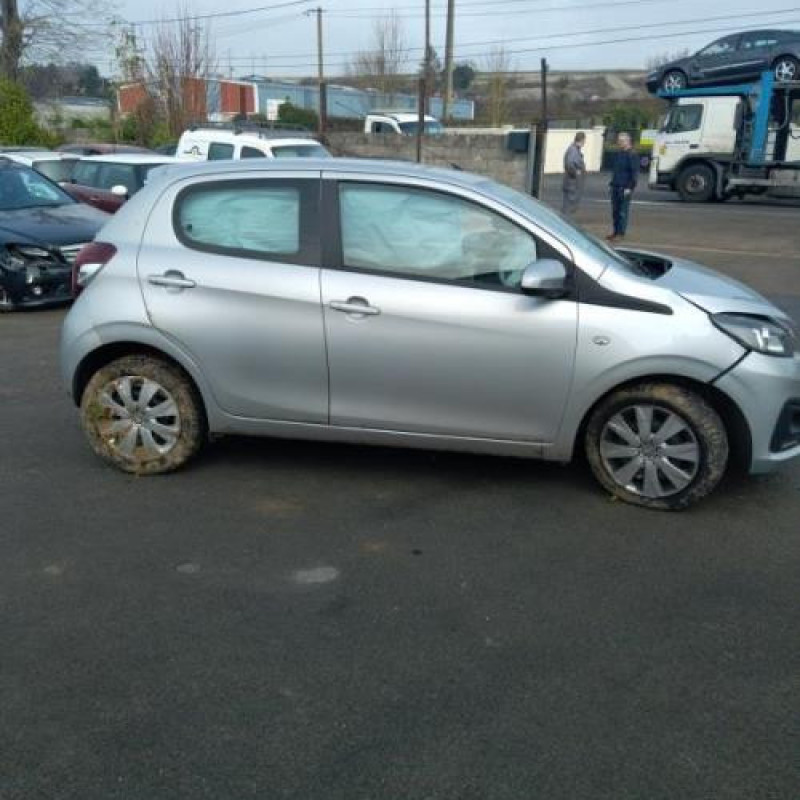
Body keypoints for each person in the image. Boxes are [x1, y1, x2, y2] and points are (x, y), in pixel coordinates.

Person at [607, 132, 639, 242]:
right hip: (615, 186)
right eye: (618, 141)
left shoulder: (632, 155)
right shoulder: (619, 154)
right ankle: (615, 231)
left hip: (624, 187)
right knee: (615, 212)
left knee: (622, 212)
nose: (619, 143)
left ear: (627, 141)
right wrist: (611, 184)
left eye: (621, 141)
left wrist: (630, 187)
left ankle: (621, 233)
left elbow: (634, 173)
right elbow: (616, 171)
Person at [561, 131, 586, 216]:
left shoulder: (574, 150)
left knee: (569, 209)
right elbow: (569, 164)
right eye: (584, 141)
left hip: (572, 185)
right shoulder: (573, 150)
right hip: (572, 185)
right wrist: (576, 172)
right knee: (568, 210)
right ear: (582, 140)